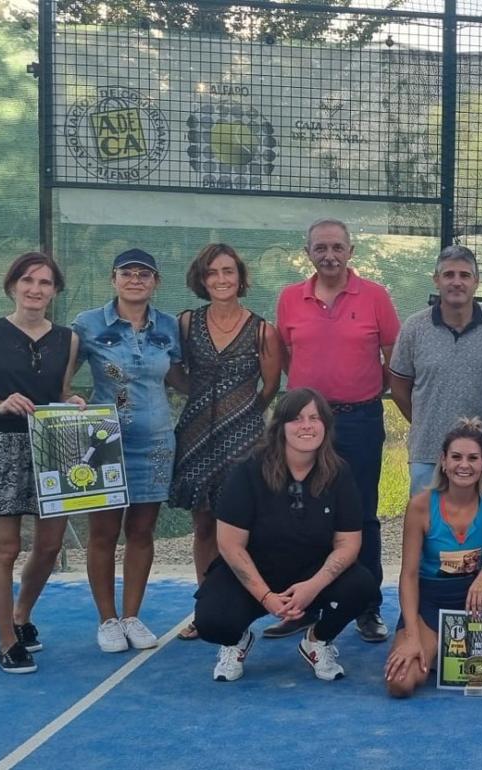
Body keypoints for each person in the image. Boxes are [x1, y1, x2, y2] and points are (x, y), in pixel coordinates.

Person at [270, 219, 402, 643]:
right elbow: (288, 359)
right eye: (321, 247)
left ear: (350, 251)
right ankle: (300, 606)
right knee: (299, 515)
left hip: (361, 420)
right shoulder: (290, 299)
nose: (329, 255)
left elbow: (393, 360)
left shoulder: (376, 297)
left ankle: (367, 608)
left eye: (337, 247)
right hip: (305, 425)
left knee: (362, 514)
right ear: (308, 251)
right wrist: (313, 404)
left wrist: (358, 391)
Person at [0, 252, 82, 673]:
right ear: (13, 285)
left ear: (55, 291)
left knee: (48, 546)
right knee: (5, 550)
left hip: (53, 449)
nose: (35, 289)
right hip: (1, 449)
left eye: (45, 283)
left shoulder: (68, 339)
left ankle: (21, 617)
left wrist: (72, 402)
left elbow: (60, 392)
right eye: (28, 280)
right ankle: (6, 642)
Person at [193, 388, 376, 682]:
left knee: (363, 586)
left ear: (326, 427)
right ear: (280, 427)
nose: (307, 426)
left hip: (310, 573)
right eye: (297, 418)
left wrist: (312, 587)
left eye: (315, 418)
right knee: (212, 621)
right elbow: (229, 544)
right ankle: (236, 641)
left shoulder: (339, 474)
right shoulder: (247, 472)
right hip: (257, 574)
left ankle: (316, 641)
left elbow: (348, 543)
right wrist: (266, 597)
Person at [69, 248, 181, 653]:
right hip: (103, 440)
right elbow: (62, 379)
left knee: (141, 531)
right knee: (103, 533)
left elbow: (183, 377)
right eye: (127, 273)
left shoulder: (169, 326)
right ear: (113, 278)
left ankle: (132, 616)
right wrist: (69, 401)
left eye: (145, 274)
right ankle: (107, 620)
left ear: (156, 282)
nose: (136, 280)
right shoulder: (87, 324)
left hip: (155, 443)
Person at [168, 243, 282, 641]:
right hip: (196, 438)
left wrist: (242, 413)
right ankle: (206, 609)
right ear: (202, 279)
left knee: (243, 530)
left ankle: (250, 604)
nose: (221, 279)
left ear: (240, 277)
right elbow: (175, 372)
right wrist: (202, 399)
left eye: (228, 271)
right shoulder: (184, 323)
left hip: (246, 443)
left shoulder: (263, 330)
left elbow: (270, 386)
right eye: (213, 272)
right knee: (203, 528)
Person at [383, 419, 482, 698]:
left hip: (477, 597)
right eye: (456, 457)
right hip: (431, 601)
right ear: (443, 461)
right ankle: (439, 647)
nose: (464, 465)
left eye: (472, 458)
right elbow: (407, 576)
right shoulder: (421, 505)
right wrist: (411, 634)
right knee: (400, 683)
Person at [391, 245, 482, 496]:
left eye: (464, 275)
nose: (456, 282)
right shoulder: (415, 328)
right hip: (429, 452)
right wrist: (425, 421)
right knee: (428, 526)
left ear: (477, 282)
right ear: (436, 281)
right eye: (449, 275)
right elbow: (398, 385)